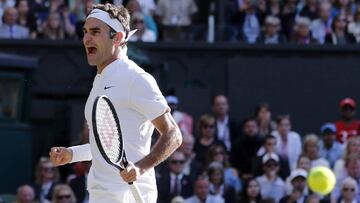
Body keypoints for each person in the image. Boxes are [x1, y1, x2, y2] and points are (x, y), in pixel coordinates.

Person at [49, 3, 182, 203]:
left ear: (118, 38)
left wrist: (140, 168)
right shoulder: (100, 80)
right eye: (85, 32)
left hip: (129, 197)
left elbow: (173, 135)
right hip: (100, 194)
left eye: (95, 32)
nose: (86, 39)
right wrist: (71, 154)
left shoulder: (136, 78)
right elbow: (106, 146)